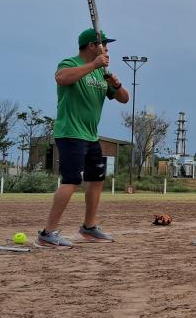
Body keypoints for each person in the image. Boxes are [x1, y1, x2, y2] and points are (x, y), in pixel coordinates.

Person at [37, 28, 130, 249]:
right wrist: (93, 65)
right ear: (91, 46)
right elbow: (61, 79)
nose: (107, 48)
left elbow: (125, 99)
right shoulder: (69, 63)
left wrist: (115, 84)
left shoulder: (102, 73)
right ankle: (47, 233)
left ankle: (89, 227)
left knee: (97, 180)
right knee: (71, 180)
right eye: (103, 44)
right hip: (70, 132)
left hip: (91, 136)